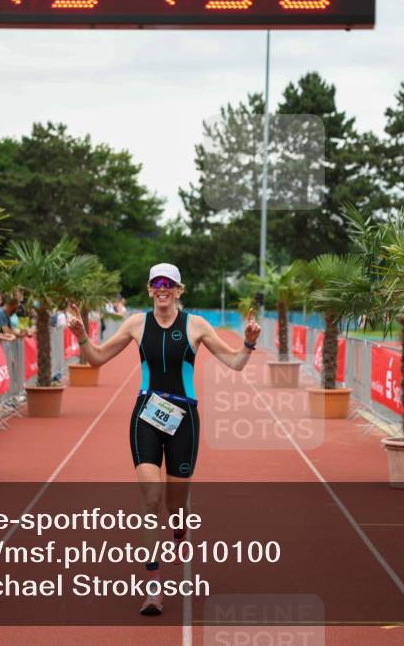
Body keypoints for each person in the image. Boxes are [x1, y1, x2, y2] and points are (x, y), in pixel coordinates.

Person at [67, 263, 260, 616]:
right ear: (149, 288)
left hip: (185, 419)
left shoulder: (197, 326)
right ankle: (153, 587)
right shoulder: (136, 324)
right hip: (146, 416)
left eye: (168, 283)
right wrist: (81, 335)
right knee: (151, 501)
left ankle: (180, 527)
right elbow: (95, 359)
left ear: (179, 290)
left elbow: (234, 363)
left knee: (174, 505)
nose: (162, 289)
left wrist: (248, 342)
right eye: (156, 282)